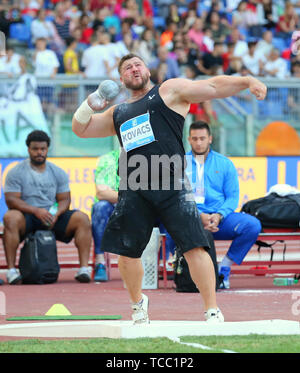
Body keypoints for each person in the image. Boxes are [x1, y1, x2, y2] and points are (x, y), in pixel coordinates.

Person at [72, 53, 267, 324]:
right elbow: (80, 129)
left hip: (172, 185)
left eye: (138, 64)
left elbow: (212, 86)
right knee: (127, 255)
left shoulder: (169, 91)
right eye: (127, 67)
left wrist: (246, 80)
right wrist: (91, 103)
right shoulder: (118, 112)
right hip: (133, 188)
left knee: (195, 248)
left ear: (147, 70)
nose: (134, 69)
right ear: (121, 79)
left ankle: (212, 309)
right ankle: (138, 304)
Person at [169, 121, 262, 289]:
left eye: (202, 138)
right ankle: (180, 266)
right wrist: (197, 216)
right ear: (189, 139)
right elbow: (176, 198)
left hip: (219, 220)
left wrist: (219, 215)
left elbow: (233, 197)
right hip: (190, 219)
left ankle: (224, 268)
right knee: (168, 223)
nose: (198, 142)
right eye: (195, 138)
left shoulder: (225, 164)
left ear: (210, 139)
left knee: (252, 225)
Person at [3, 130, 92, 285]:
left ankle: (84, 269)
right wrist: (36, 211)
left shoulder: (58, 172)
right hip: (28, 216)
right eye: (35, 149)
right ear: (28, 149)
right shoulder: (16, 172)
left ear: (47, 149)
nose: (39, 152)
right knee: (10, 218)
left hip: (51, 216)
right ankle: (11, 271)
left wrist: (56, 213)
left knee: (82, 219)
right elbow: (11, 200)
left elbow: (65, 199)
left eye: (43, 149)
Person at [92, 149, 120, 282]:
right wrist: (132, 196)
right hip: (113, 210)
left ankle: (164, 261)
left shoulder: (148, 157)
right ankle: (100, 262)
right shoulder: (107, 160)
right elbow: (102, 194)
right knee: (100, 207)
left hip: (140, 208)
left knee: (167, 205)